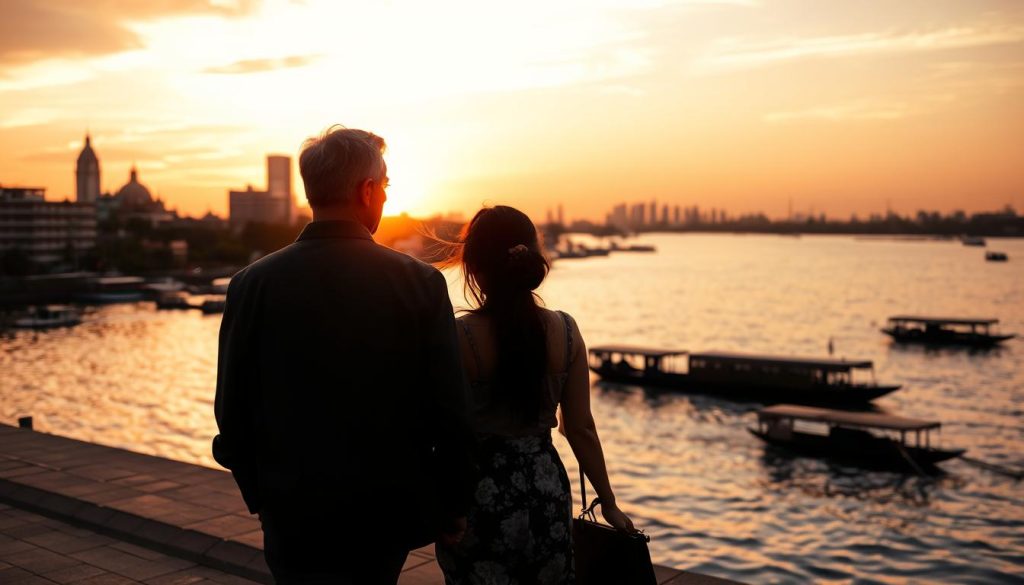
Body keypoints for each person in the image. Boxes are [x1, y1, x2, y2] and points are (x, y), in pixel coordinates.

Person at [213, 126, 475, 584]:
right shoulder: (418, 283)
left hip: (290, 513)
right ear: (367, 191)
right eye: (386, 187)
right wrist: (451, 506)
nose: (386, 199)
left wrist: (261, 496)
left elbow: (230, 412)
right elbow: (450, 412)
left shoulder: (251, 284)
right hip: (384, 515)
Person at [435, 205, 635, 585]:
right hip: (546, 489)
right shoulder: (566, 330)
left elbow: (441, 432)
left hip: (479, 496)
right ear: (531, 255)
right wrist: (608, 502)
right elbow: (581, 429)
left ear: (473, 267)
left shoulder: (458, 337)